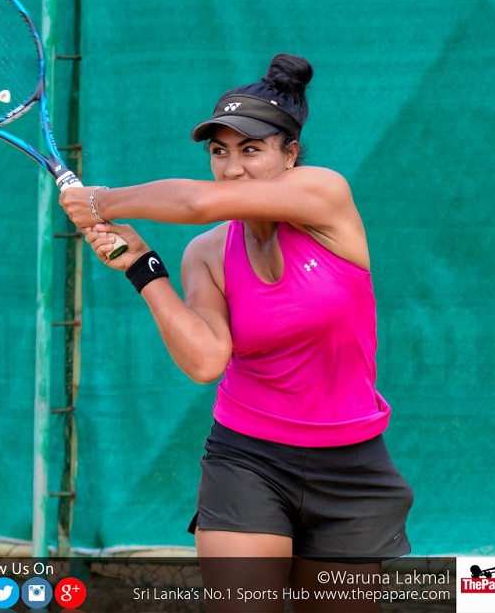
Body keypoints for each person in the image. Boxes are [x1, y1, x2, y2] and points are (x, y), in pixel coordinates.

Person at [59, 54, 413, 612]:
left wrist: (100, 200)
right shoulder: (207, 253)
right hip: (247, 458)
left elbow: (197, 202)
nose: (231, 168)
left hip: (351, 463)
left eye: (251, 150)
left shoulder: (325, 195)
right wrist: (141, 266)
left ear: (289, 154)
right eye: (219, 153)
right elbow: (205, 360)